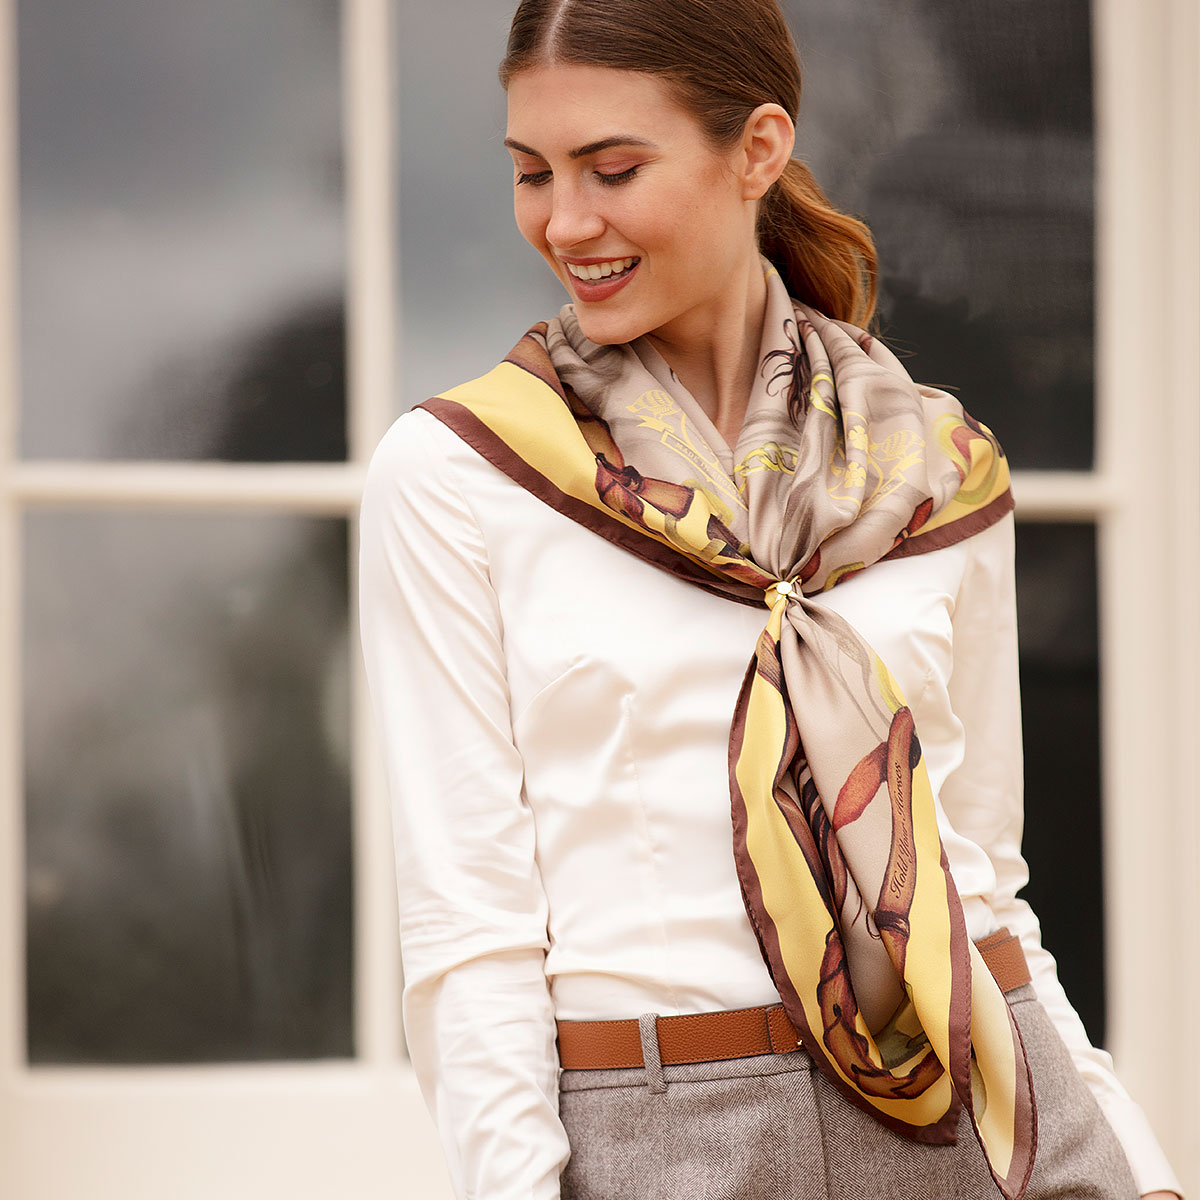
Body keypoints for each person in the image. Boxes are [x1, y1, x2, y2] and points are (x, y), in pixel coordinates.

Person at [358, 2, 1183, 1197]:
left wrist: (1141, 1169)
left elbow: (983, 883)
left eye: (612, 169)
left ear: (757, 150)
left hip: (987, 1115)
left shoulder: (938, 467)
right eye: (533, 173)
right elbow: (469, 934)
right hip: (671, 1137)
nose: (565, 221)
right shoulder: (464, 474)